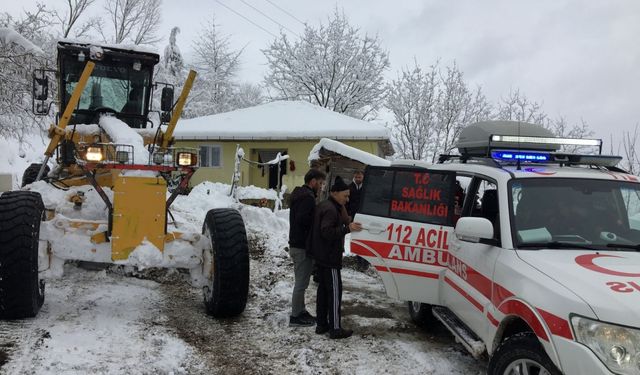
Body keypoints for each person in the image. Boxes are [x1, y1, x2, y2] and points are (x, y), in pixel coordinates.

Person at [308, 176, 362, 339]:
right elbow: (327, 232)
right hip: (330, 258)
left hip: (322, 257)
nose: (347, 199)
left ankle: (322, 325)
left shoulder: (328, 205)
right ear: (335, 193)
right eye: (345, 196)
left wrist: (345, 217)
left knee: (323, 292)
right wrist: (347, 229)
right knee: (335, 293)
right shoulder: (331, 210)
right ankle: (335, 329)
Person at [288, 169, 326, 327]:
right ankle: (296, 316)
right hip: (302, 246)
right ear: (313, 181)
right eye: (320, 182)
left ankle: (301, 310)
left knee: (301, 281)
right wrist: (317, 221)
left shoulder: (300, 194)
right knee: (301, 284)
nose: (321, 186)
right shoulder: (308, 198)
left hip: (297, 244)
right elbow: (302, 219)